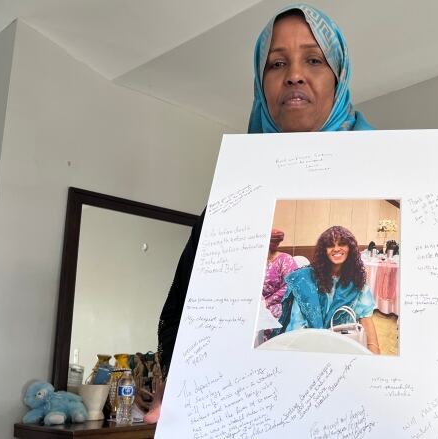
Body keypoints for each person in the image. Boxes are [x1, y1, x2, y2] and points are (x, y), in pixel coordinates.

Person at [145, 4, 373, 424]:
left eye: (314, 59)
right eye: (277, 63)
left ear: (338, 78)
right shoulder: (229, 202)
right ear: (261, 84)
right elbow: (180, 314)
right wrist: (177, 387)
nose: (294, 74)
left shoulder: (392, 174)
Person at [276, 226, 380, 354]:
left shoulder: (357, 281)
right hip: (307, 345)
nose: (336, 249)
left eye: (342, 244)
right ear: (324, 250)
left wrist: (375, 354)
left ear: (350, 249)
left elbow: (366, 318)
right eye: (331, 245)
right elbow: (296, 324)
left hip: (342, 344)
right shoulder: (305, 279)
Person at [261, 229, 297, 337]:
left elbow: (290, 286)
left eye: (274, 242)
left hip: (279, 304)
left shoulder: (286, 259)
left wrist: (266, 303)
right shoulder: (257, 260)